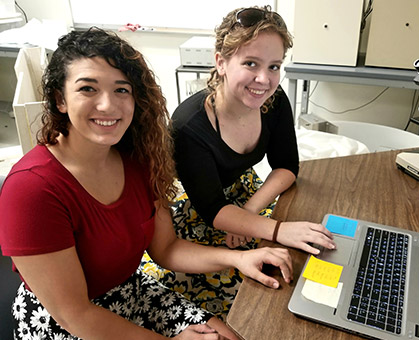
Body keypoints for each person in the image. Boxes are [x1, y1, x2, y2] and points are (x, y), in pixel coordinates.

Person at [0, 28, 293, 340]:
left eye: (121, 90)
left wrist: (239, 259)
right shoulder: (32, 190)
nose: (108, 105)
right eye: (88, 89)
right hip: (66, 323)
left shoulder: (137, 158)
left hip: (131, 291)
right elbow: (76, 315)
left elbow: (166, 249)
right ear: (60, 99)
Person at [165, 6, 335, 317]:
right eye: (251, 63)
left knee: (305, 256)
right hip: (195, 209)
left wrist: (251, 211)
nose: (264, 79)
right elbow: (213, 210)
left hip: (242, 198)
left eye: (274, 66)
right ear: (221, 62)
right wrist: (278, 229)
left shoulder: (274, 100)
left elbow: (287, 167)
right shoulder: (189, 126)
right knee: (261, 292)